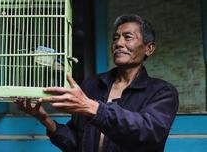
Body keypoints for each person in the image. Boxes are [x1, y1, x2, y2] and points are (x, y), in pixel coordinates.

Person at [17, 14, 179, 152]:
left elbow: (149, 132)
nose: (118, 43)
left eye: (128, 37)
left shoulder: (162, 92)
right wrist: (44, 118)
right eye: (115, 38)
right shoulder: (92, 85)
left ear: (149, 48)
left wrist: (92, 107)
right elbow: (76, 144)